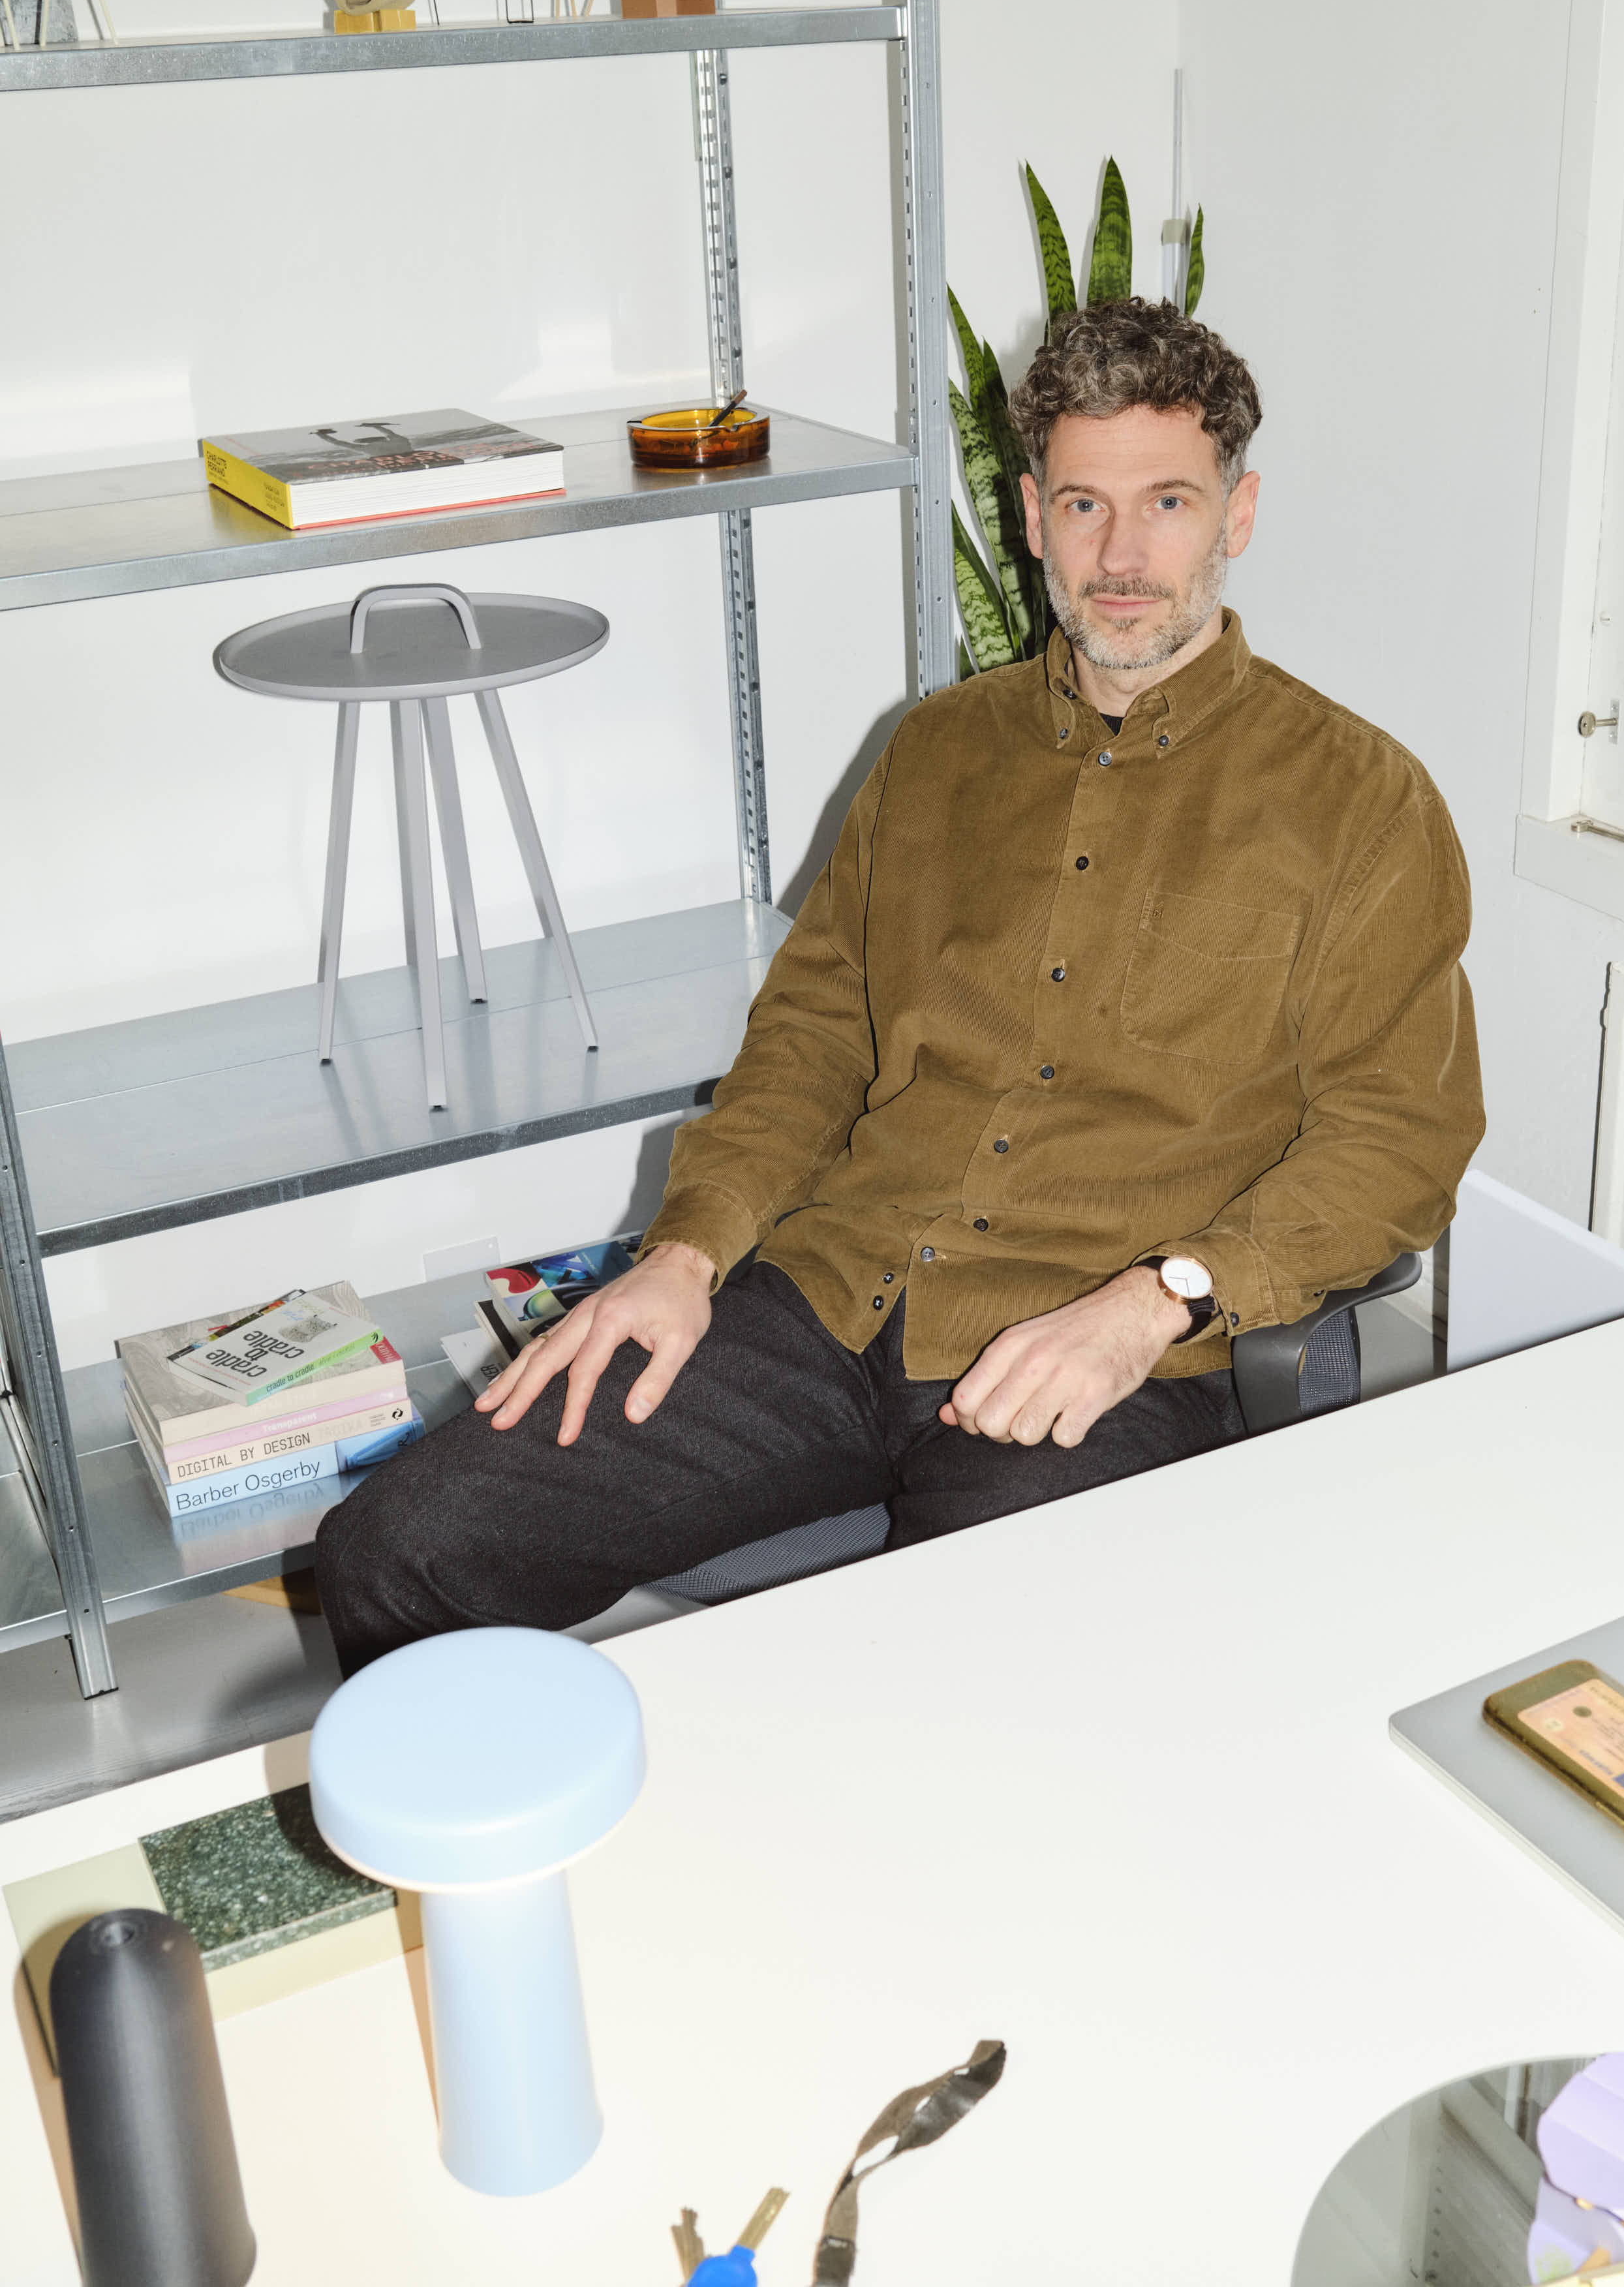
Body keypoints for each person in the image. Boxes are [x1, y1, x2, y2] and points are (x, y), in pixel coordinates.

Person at [316, 298, 1484, 1671]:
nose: (1122, 557)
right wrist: (684, 1257)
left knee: (966, 1677)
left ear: (1236, 514)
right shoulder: (933, 754)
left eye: (1166, 503)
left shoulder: (1360, 800)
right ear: (1030, 513)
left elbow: (1394, 1143)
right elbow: (812, 1035)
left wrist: (1156, 1296)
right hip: (836, 1291)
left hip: (1102, 1351)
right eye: (1081, 505)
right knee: (403, 1547)